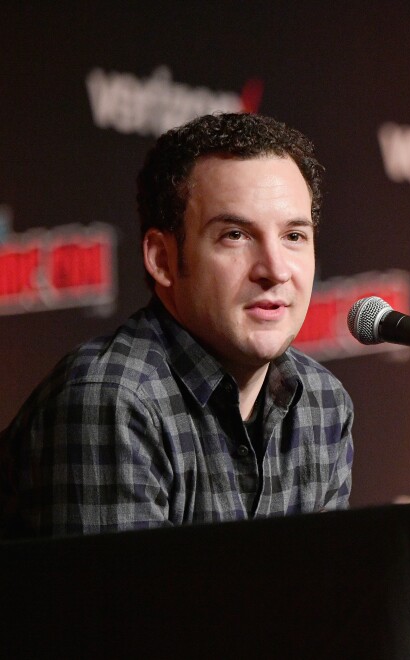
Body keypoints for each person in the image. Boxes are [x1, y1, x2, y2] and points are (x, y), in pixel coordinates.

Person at [0, 112, 354, 538]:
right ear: (162, 259)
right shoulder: (113, 402)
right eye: (235, 235)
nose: (275, 270)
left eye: (294, 236)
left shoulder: (323, 403)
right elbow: (122, 587)